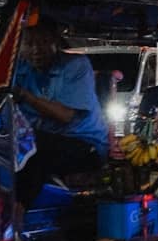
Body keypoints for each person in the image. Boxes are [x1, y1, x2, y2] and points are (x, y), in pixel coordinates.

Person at [12, 16, 110, 210]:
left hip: (83, 144)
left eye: (42, 42)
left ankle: (18, 212)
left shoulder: (75, 66)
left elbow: (66, 116)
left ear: (55, 42)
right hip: (42, 138)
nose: (36, 50)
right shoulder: (20, 69)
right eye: (29, 43)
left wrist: (26, 96)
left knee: (33, 149)